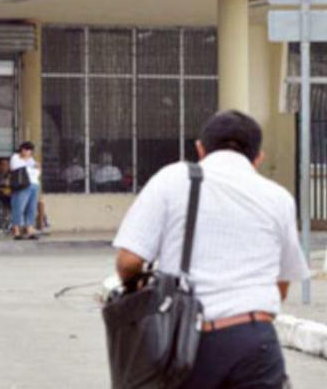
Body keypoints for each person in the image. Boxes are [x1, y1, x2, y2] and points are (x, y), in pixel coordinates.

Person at [113, 110, 310, 389]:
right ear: (258, 158)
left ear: (200, 148)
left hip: (189, 344)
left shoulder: (172, 179)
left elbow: (128, 262)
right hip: (258, 343)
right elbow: (282, 286)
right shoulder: (279, 198)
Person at [9, 141, 40, 240]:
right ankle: (17, 229)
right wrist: (28, 163)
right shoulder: (15, 157)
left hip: (34, 184)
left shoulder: (31, 159)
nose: (28, 152)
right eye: (26, 150)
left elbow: (37, 170)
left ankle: (30, 228)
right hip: (22, 185)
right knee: (19, 207)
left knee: (32, 208)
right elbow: (16, 167)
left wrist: (32, 165)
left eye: (30, 150)